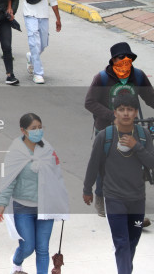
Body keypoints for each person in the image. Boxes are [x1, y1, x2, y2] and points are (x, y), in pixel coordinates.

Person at [83, 93, 154, 274]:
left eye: (130, 110)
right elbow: (93, 164)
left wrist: (135, 145)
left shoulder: (144, 135)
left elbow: (151, 163)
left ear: (136, 112)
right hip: (114, 198)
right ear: (115, 112)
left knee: (132, 242)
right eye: (121, 109)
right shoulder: (105, 136)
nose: (125, 114)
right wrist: (87, 189)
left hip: (137, 198)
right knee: (121, 242)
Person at [0, 113, 69, 274]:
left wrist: (61, 202)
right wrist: (2, 203)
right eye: (33, 128)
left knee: (43, 249)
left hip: (45, 207)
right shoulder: (16, 151)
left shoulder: (47, 149)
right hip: (23, 207)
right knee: (28, 246)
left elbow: (57, 178)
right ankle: (16, 262)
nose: (38, 131)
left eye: (40, 127)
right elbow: (9, 179)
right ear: (23, 130)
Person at [13, 0, 61, 85]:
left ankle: (31, 57)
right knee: (34, 42)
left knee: (43, 43)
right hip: (29, 14)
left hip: (43, 14)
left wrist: (58, 19)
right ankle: (38, 73)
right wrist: (10, 8)